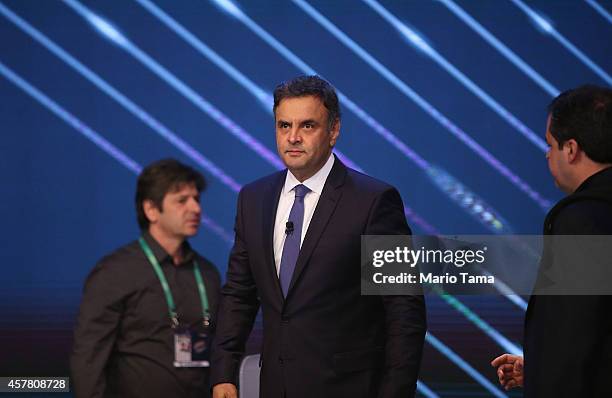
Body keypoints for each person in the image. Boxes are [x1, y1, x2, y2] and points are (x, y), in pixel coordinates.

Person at [210, 75, 426, 398]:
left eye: (307, 126)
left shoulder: (374, 201)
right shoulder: (253, 199)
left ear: (334, 130)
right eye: (284, 126)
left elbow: (404, 312)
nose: (293, 137)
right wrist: (224, 373)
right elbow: (239, 294)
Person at [492, 85, 612, 397]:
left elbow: (576, 331)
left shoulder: (583, 219)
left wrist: (550, 375)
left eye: (551, 144)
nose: (548, 155)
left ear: (571, 149)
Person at [71, 158, 221, 398]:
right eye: (182, 200)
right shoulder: (115, 272)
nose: (195, 208)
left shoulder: (207, 273)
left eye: (196, 199)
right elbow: (88, 358)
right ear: (151, 209)